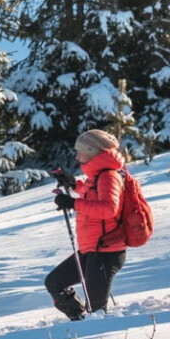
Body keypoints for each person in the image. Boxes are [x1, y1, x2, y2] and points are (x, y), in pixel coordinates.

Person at [45, 128, 128, 320]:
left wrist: (73, 203)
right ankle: (79, 319)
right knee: (54, 282)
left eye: (80, 151)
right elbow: (92, 192)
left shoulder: (109, 176)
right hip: (91, 250)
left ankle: (90, 335)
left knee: (97, 312)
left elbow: (109, 208)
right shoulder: (98, 176)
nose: (77, 154)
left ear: (92, 153)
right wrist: (73, 184)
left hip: (106, 252)